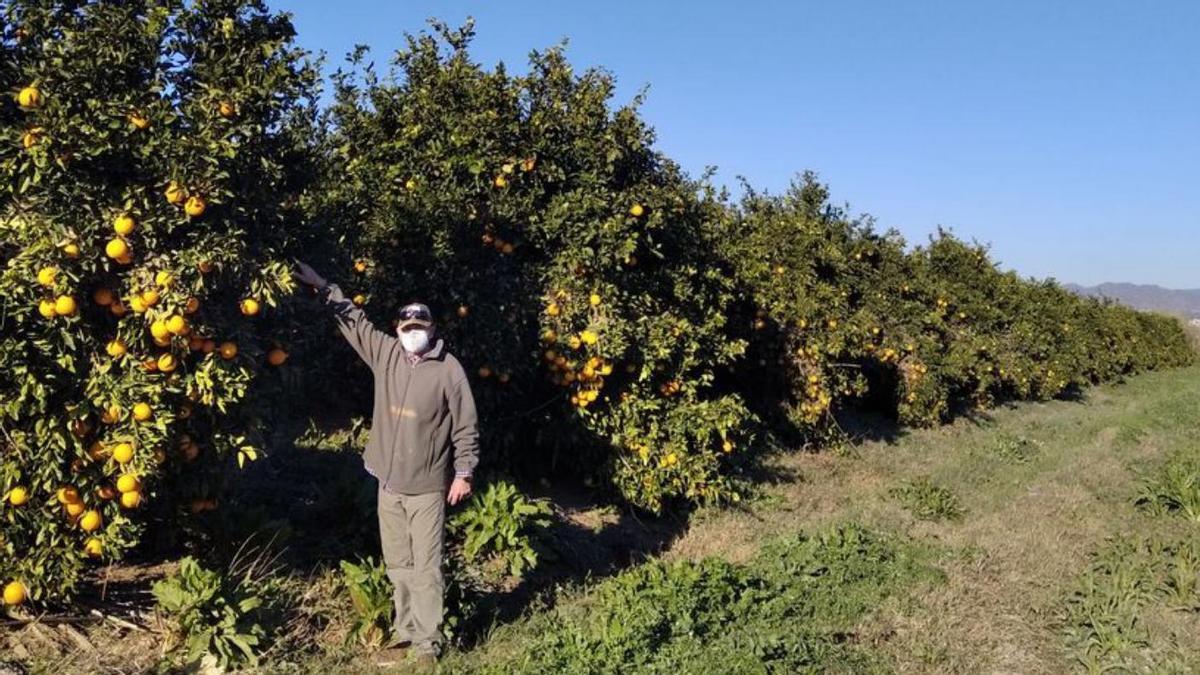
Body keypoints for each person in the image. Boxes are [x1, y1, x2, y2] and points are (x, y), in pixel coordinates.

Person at [294, 261, 479, 666]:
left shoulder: (449, 371)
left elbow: (466, 425)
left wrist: (463, 473)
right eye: (407, 328)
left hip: (429, 484)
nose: (414, 334)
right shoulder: (386, 355)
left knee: (426, 566)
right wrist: (323, 286)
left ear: (432, 330)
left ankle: (428, 642)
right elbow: (355, 321)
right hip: (388, 482)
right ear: (398, 330)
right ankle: (406, 630)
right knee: (398, 562)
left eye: (421, 328)